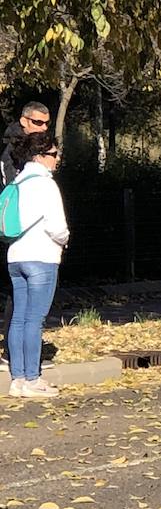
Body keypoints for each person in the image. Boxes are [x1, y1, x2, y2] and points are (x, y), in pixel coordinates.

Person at [6, 132, 68, 398]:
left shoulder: (18, 181)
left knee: (18, 318)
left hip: (15, 256)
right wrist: (65, 239)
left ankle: (17, 379)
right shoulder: (46, 185)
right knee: (35, 320)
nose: (57, 160)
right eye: (54, 155)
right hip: (42, 257)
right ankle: (33, 379)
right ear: (41, 156)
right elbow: (57, 227)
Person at [0, 102, 50, 362]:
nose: (42, 129)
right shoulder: (13, 149)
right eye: (37, 123)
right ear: (24, 121)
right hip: (13, 227)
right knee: (17, 290)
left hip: (25, 228)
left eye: (46, 124)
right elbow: (11, 189)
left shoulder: (33, 147)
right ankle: (13, 351)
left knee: (18, 291)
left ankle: (16, 349)